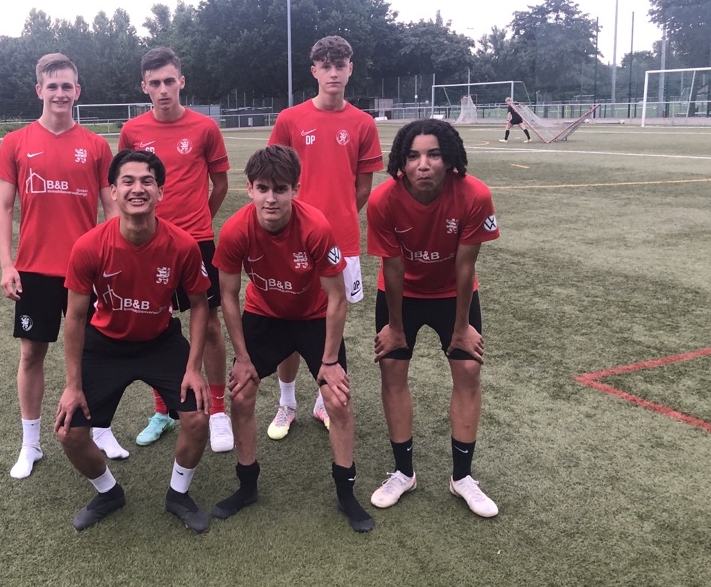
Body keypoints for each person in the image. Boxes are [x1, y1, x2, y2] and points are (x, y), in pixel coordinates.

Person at [211, 145, 374, 533]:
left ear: (295, 190)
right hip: (265, 316)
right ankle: (247, 485)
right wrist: (242, 357)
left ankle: (346, 492)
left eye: (280, 189)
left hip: (313, 317)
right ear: (249, 188)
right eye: (263, 188)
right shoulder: (235, 230)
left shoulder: (315, 227)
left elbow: (337, 297)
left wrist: (329, 362)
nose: (271, 198)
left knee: (338, 399)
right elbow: (228, 297)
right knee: (241, 394)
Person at [55, 150, 213, 533]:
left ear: (160, 192)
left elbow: (199, 305)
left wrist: (194, 368)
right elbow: (75, 318)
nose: (137, 189)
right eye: (127, 181)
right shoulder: (89, 246)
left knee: (197, 418)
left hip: (160, 341)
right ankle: (108, 493)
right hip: (105, 344)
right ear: (113, 191)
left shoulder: (182, 245)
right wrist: (72, 385)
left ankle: (178, 494)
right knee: (69, 433)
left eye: (147, 181)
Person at [98, 47, 233, 454]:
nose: (162, 89)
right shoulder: (132, 130)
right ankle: (163, 411)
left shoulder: (205, 127)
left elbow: (220, 184)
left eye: (169, 81)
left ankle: (219, 411)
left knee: (210, 325)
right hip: (147, 243)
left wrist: (198, 223)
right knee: (152, 322)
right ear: (144, 86)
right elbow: (127, 183)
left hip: (196, 241)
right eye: (154, 83)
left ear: (181, 82)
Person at [366, 119, 501, 518]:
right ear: (401, 162)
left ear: (450, 159)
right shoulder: (383, 200)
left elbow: (465, 266)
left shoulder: (475, 195)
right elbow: (392, 267)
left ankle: (462, 478)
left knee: (468, 371)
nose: (422, 164)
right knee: (392, 369)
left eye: (433, 154)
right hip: (401, 294)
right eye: (413, 156)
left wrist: (461, 328)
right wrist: (395, 328)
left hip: (452, 293)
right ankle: (403, 473)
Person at [0, 53, 118, 480]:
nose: (60, 93)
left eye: (67, 86)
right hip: (34, 269)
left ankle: (101, 429)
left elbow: (111, 208)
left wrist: (114, 259)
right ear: (39, 90)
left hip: (87, 270)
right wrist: (7, 264)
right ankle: (30, 443)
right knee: (32, 353)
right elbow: (3, 206)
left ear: (77, 91)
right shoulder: (16, 142)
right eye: (53, 86)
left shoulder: (96, 145)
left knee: (95, 352)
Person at [265, 35, 383, 439]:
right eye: (326, 66)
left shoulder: (363, 123)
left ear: (351, 69)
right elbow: (275, 178)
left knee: (331, 320)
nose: (333, 73)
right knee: (289, 321)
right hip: (292, 241)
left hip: (341, 241)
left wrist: (334, 223)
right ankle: (286, 402)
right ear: (314, 71)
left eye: (340, 65)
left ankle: (321, 401)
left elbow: (362, 189)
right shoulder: (290, 119)